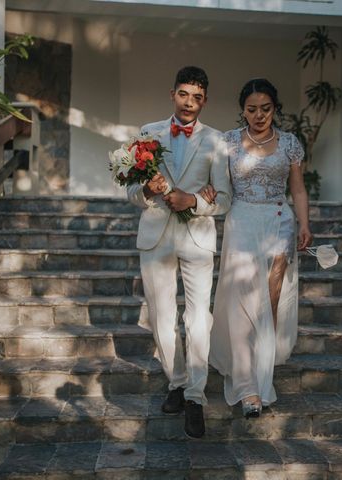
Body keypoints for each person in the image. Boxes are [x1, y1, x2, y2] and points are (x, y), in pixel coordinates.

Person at [126, 66, 231, 438]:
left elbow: (225, 197)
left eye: (197, 97)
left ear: (205, 100)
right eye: (184, 94)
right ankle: (178, 381)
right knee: (161, 317)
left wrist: (194, 202)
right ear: (173, 94)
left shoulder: (217, 140)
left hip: (197, 237)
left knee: (198, 318)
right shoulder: (148, 132)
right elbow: (131, 192)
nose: (190, 103)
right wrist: (149, 191)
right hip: (156, 234)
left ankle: (195, 398)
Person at [205, 78, 312, 418]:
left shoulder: (291, 144)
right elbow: (217, 183)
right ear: (243, 111)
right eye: (252, 109)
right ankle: (246, 386)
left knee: (270, 303)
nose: (259, 115)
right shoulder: (229, 141)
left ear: (275, 108)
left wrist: (305, 223)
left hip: (278, 223)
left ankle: (263, 380)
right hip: (242, 223)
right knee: (241, 304)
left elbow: (298, 190)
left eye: (265, 108)